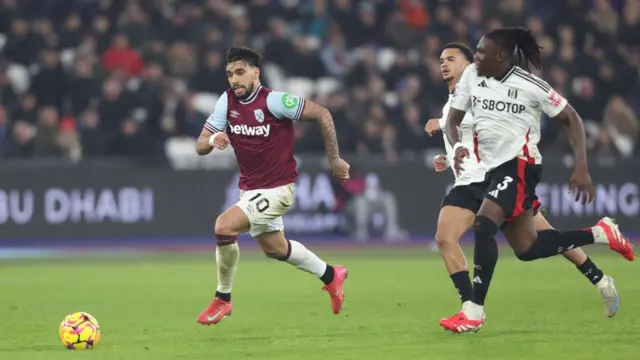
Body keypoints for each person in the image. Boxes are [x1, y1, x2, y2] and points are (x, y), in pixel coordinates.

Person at [440, 28, 634, 333]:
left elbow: (572, 118)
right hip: (494, 171)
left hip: (520, 165)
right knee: (527, 249)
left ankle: (474, 312)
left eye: (481, 52)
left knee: (483, 225)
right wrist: (458, 145)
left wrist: (581, 167)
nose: (475, 57)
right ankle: (600, 233)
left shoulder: (531, 86)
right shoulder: (471, 77)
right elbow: (453, 120)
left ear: (501, 57)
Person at [194, 47, 351, 325]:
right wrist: (211, 141)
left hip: (278, 190)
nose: (234, 79)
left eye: (240, 72)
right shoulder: (226, 102)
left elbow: (323, 114)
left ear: (256, 73)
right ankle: (331, 275)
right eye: (230, 74)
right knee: (275, 249)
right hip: (251, 189)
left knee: (223, 226)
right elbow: (199, 144)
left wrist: (334, 159)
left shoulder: (275, 101)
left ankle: (223, 299)